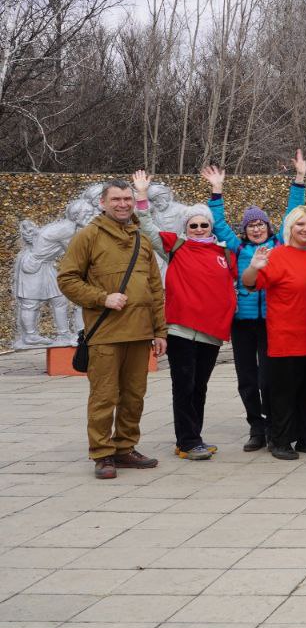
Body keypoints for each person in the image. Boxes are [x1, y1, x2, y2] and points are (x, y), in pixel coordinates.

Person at [57, 179, 167, 480]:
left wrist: (160, 331)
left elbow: (155, 290)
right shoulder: (88, 236)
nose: (122, 204)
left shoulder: (141, 239)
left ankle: (125, 447)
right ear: (103, 203)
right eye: (116, 199)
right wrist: (101, 298)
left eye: (127, 199)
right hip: (105, 333)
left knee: (134, 396)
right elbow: (67, 279)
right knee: (104, 396)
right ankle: (102, 454)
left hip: (141, 332)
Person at [202, 155, 306, 451]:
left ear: (268, 227)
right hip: (243, 322)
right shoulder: (238, 248)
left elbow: (291, 215)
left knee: (268, 378)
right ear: (246, 230)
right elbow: (219, 224)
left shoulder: (279, 246)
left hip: (271, 322)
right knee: (246, 379)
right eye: (251, 226)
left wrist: (299, 179)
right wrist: (217, 191)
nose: (257, 229)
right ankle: (256, 428)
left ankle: (275, 425)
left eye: (261, 224)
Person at [134, 171, 235, 463]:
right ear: (186, 227)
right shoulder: (176, 247)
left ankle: (193, 438)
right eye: (194, 225)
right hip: (181, 330)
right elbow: (148, 230)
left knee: (199, 386)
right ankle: (188, 441)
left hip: (211, 332)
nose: (200, 228)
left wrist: (217, 191)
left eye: (204, 224)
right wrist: (142, 196)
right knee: (185, 384)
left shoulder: (223, 253)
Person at [241, 206, 306, 461]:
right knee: (283, 394)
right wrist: (254, 267)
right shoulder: (276, 255)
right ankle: (279, 440)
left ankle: (305, 437)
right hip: (285, 338)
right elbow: (249, 283)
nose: (305, 229)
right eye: (300, 224)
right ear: (290, 227)